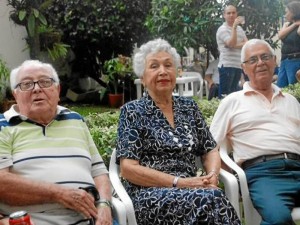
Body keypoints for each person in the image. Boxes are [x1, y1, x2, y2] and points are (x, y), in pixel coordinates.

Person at [115, 38, 241, 225]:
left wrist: (212, 176)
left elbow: (210, 149)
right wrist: (180, 183)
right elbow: (128, 169)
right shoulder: (132, 111)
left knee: (210, 198)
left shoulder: (188, 107)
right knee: (210, 200)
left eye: (168, 65)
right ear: (142, 77)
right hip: (149, 194)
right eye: (154, 66)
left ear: (176, 72)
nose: (163, 71)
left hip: (193, 190)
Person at [0, 60, 114, 225]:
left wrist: (104, 206)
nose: (37, 88)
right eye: (26, 84)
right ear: (15, 94)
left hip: (91, 219)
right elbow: (2, 184)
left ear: (58, 90)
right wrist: (59, 194)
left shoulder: (76, 120)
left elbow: (98, 171)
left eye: (45, 82)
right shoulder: (3, 126)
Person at [210, 39, 300, 225]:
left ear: (275, 61)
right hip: (264, 174)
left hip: (297, 165)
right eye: (253, 60)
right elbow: (210, 147)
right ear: (244, 68)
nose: (260, 63)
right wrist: (233, 175)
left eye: (265, 57)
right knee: (279, 219)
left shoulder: (291, 100)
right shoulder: (233, 101)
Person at [216, 4, 248, 98]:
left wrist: (233, 45)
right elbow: (231, 43)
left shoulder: (240, 29)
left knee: (234, 95)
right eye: (228, 13)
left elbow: (246, 43)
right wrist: (234, 27)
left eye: (233, 13)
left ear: (236, 14)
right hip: (227, 65)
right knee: (225, 96)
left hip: (237, 65)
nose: (231, 15)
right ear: (224, 15)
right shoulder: (222, 29)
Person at [277, 1, 300, 88]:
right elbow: (280, 35)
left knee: (293, 88)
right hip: (284, 61)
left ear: (294, 12)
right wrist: (294, 25)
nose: (285, 15)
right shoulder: (287, 25)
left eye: (287, 12)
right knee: (281, 87)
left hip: (295, 60)